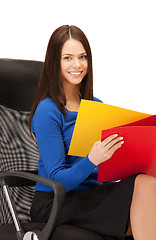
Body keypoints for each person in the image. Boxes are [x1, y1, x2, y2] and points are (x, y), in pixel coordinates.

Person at [29, 25, 156, 240]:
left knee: (146, 184)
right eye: (67, 58)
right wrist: (92, 160)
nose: (77, 65)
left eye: (82, 57)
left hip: (92, 196)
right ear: (54, 62)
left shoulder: (96, 106)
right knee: (145, 188)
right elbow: (57, 179)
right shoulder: (48, 110)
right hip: (57, 201)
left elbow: (105, 174)